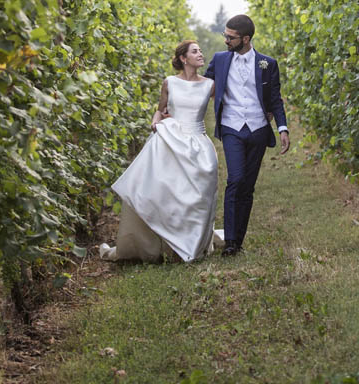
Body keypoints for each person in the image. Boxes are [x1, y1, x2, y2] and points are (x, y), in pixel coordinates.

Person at [99, 40, 220, 262]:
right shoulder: (169, 82)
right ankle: (166, 245)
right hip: (171, 140)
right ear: (184, 58)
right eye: (195, 51)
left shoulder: (210, 84)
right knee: (169, 195)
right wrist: (155, 123)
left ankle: (194, 246)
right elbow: (160, 110)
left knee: (200, 195)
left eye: (201, 50)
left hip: (198, 144)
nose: (201, 54)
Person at [201, 14, 288, 257]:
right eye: (225, 35)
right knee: (235, 180)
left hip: (259, 129)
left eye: (230, 37)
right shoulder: (219, 60)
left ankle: (237, 241)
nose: (226, 40)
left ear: (246, 39)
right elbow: (200, 86)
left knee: (248, 186)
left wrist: (282, 128)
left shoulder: (267, 64)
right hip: (231, 127)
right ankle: (229, 240)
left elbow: (275, 99)